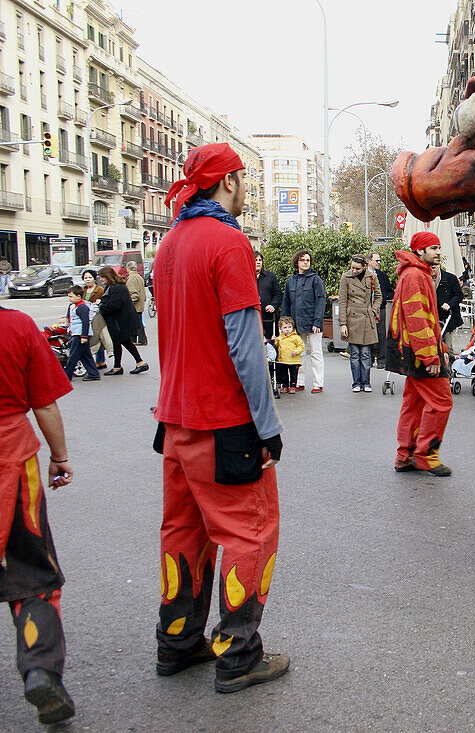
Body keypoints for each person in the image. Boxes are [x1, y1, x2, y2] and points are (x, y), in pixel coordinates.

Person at [156, 141, 289, 693]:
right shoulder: (229, 244)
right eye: (243, 179)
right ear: (229, 180)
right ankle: (238, 655)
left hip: (176, 420)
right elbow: (245, 345)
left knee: (183, 533)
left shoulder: (169, 245)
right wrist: (268, 425)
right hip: (224, 422)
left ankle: (178, 643)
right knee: (249, 533)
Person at [0, 305, 77, 724]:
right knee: (32, 574)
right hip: (12, 460)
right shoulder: (17, 327)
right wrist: (60, 456)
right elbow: (43, 403)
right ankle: (40, 669)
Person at [386, 231, 453, 476]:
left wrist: (439, 350)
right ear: (420, 251)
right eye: (433, 248)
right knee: (441, 401)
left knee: (413, 403)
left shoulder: (414, 272)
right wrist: (431, 356)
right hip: (418, 352)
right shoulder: (415, 274)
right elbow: (418, 318)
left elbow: (423, 319)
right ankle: (425, 454)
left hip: (410, 350)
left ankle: (406, 455)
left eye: (438, 247)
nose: (438, 252)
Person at [280, 250, 326, 393]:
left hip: (313, 323)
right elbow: (286, 303)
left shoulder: (315, 279)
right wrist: (284, 324)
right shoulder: (291, 281)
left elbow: (320, 301)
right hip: (296, 324)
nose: (306, 262)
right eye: (302, 260)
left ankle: (318, 383)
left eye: (308, 260)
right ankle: (299, 382)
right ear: (297, 262)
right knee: (299, 354)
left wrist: (317, 322)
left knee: (316, 354)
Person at [338, 254, 382, 393]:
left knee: (366, 354)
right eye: (352, 267)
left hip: (366, 317)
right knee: (355, 353)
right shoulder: (346, 277)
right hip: (352, 318)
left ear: (364, 266)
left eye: (357, 268)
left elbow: (379, 296)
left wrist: (373, 311)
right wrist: (342, 323)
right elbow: (342, 301)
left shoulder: (371, 276)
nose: (354, 270)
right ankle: (356, 382)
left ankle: (366, 382)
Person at [96, 266, 148, 376]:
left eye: (102, 277)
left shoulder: (116, 288)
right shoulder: (115, 287)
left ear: (108, 277)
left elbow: (115, 305)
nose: (100, 280)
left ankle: (121, 366)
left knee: (119, 342)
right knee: (123, 342)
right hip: (120, 321)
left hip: (119, 321)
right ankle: (135, 363)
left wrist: (100, 306)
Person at [63, 286, 99, 381]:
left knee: (74, 355)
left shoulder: (82, 307)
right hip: (78, 333)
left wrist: (84, 336)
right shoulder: (75, 306)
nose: (69, 298)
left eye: (71, 296)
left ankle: (67, 374)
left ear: (78, 296)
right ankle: (93, 373)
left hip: (80, 335)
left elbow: (85, 322)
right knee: (85, 355)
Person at [433, 261, 463, 358]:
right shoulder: (425, 279)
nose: (431, 270)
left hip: (447, 318)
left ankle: (450, 370)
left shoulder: (450, 278)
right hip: (432, 318)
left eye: (433, 267)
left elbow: (459, 295)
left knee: (447, 347)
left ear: (438, 266)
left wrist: (449, 304)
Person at [367, 251, 392, 366]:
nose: (378, 263)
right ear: (369, 261)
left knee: (381, 333)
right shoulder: (363, 275)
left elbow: (389, 291)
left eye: (379, 260)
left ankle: (381, 359)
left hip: (380, 308)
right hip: (367, 309)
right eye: (376, 260)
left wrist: (384, 297)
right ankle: (369, 357)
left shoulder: (382, 275)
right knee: (368, 334)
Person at [80, 269, 108, 369]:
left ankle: (100, 361)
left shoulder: (100, 290)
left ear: (94, 279)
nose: (88, 280)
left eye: (90, 277)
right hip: (86, 317)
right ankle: (99, 360)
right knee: (93, 338)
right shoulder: (83, 290)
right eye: (85, 278)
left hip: (97, 317)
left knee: (97, 338)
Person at [273, 316, 305, 394]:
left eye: (289, 327)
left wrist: (296, 351)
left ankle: (293, 386)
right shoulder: (280, 337)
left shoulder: (295, 337)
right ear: (281, 328)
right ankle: (285, 386)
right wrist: (275, 340)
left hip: (293, 360)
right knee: (284, 374)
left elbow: (301, 346)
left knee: (293, 374)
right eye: (285, 327)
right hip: (283, 360)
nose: (287, 329)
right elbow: (276, 346)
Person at [255, 252, 282, 339]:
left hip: (268, 319)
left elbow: (278, 294)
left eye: (260, 260)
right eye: (255, 260)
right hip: (252, 318)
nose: (258, 262)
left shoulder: (270, 277)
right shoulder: (245, 277)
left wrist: (273, 306)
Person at [125, 261, 149, 346]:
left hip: (135, 306)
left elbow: (134, 294)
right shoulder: (139, 277)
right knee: (137, 323)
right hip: (140, 304)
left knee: (137, 323)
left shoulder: (131, 278)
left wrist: (128, 303)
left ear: (128, 268)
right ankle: (135, 339)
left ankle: (141, 339)